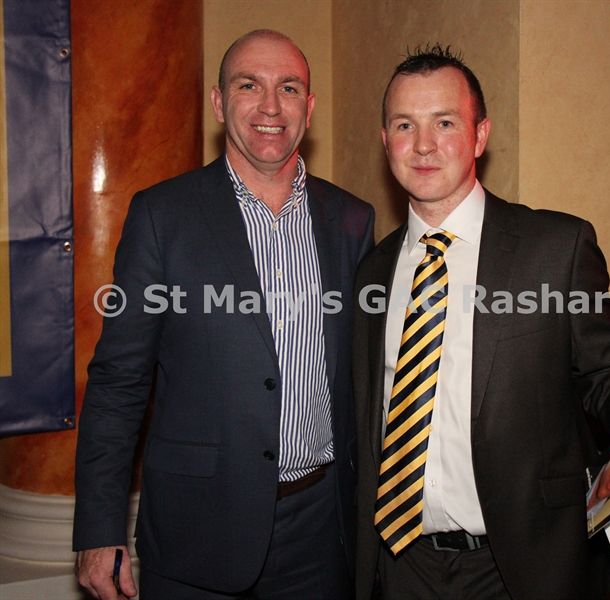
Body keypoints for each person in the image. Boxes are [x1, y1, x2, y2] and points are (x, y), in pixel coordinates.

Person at [353, 45, 610, 599]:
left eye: (444, 123)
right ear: (385, 141)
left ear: (479, 135)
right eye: (405, 125)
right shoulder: (372, 271)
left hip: (519, 568)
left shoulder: (556, 248)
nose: (423, 144)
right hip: (401, 568)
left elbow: (605, 369)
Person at [74, 29, 374, 600]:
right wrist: (99, 526)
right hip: (196, 530)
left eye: (289, 88)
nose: (270, 106)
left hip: (320, 532)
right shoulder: (162, 216)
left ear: (309, 108)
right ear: (218, 102)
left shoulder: (352, 220)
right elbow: (118, 380)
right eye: (248, 86)